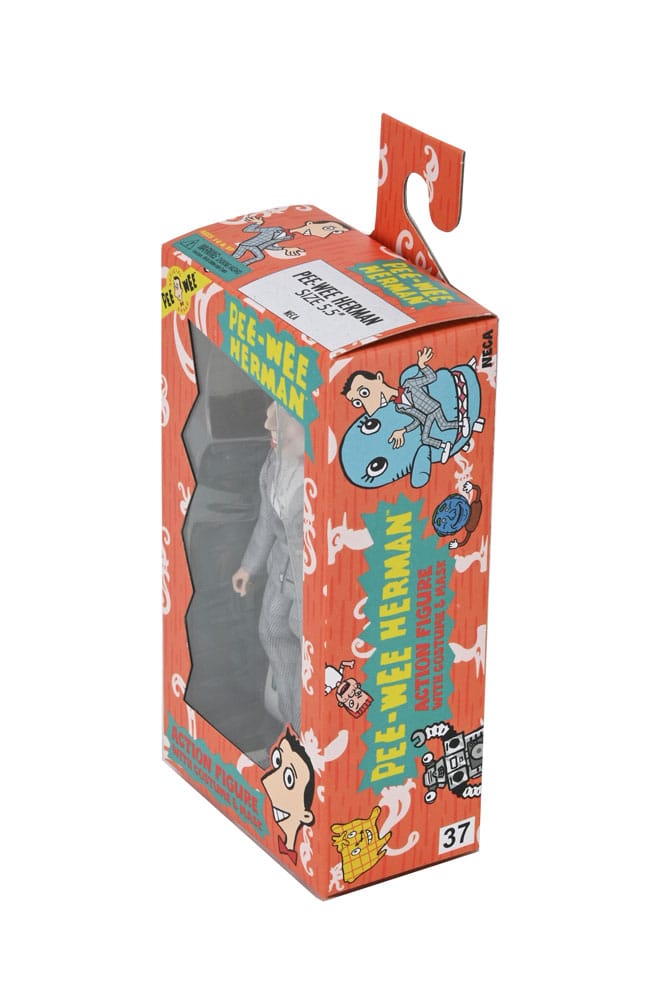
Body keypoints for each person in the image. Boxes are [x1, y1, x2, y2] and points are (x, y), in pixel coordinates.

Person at [232, 403, 304, 730]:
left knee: (302, 641)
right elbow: (266, 522)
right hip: (280, 572)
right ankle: (292, 720)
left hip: (307, 583)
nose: (267, 426)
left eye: (280, 423)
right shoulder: (273, 467)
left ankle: (304, 722)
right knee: (271, 631)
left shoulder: (315, 478)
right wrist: (248, 567)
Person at [232, 213, 348, 264]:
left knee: (258, 256)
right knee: (235, 258)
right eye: (329, 228)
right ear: (310, 223)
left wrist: (283, 249)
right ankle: (241, 266)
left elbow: (269, 245)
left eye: (336, 232)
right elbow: (247, 231)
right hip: (247, 244)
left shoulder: (288, 237)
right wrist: (257, 223)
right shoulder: (275, 228)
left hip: (255, 247)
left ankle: (243, 266)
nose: (326, 234)